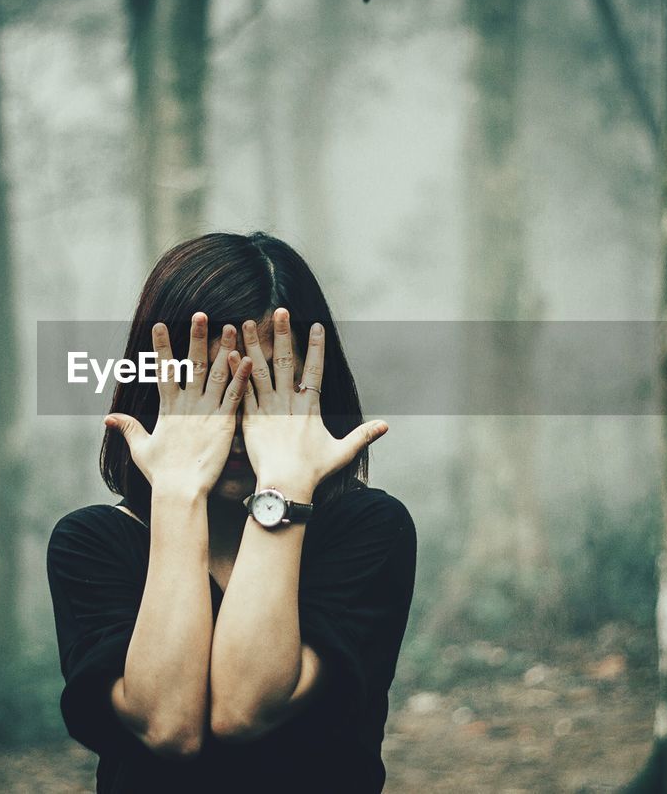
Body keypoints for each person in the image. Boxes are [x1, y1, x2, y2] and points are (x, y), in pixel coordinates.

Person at [46, 232, 416, 793]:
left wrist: (285, 485)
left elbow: (244, 707)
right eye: (209, 384)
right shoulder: (91, 543)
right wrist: (177, 492)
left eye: (270, 384)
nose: (240, 418)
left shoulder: (367, 530)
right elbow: (168, 724)